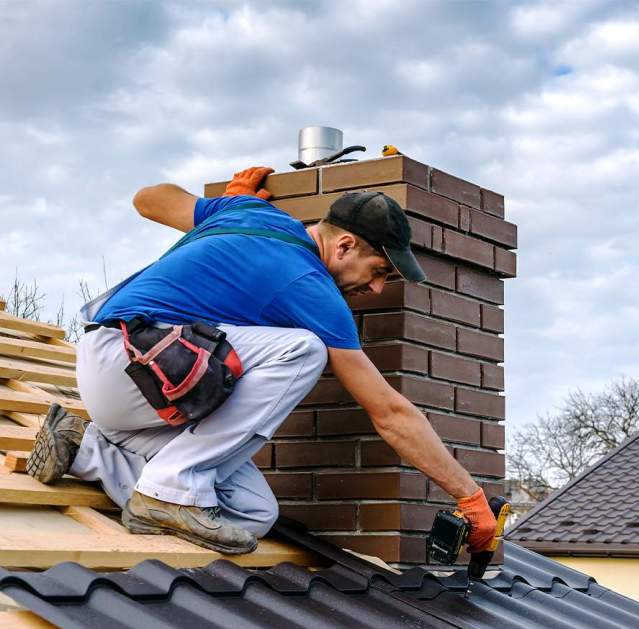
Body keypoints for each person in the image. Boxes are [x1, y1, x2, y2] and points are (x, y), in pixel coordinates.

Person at [27, 166, 497, 555]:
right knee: (303, 349)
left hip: (138, 390)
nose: (375, 290)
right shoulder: (310, 287)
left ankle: (86, 448)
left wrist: (221, 209)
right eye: (378, 272)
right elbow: (389, 412)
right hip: (129, 360)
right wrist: (468, 495)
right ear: (345, 245)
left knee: (253, 513)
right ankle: (168, 487)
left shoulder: (245, 210)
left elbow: (148, 197)